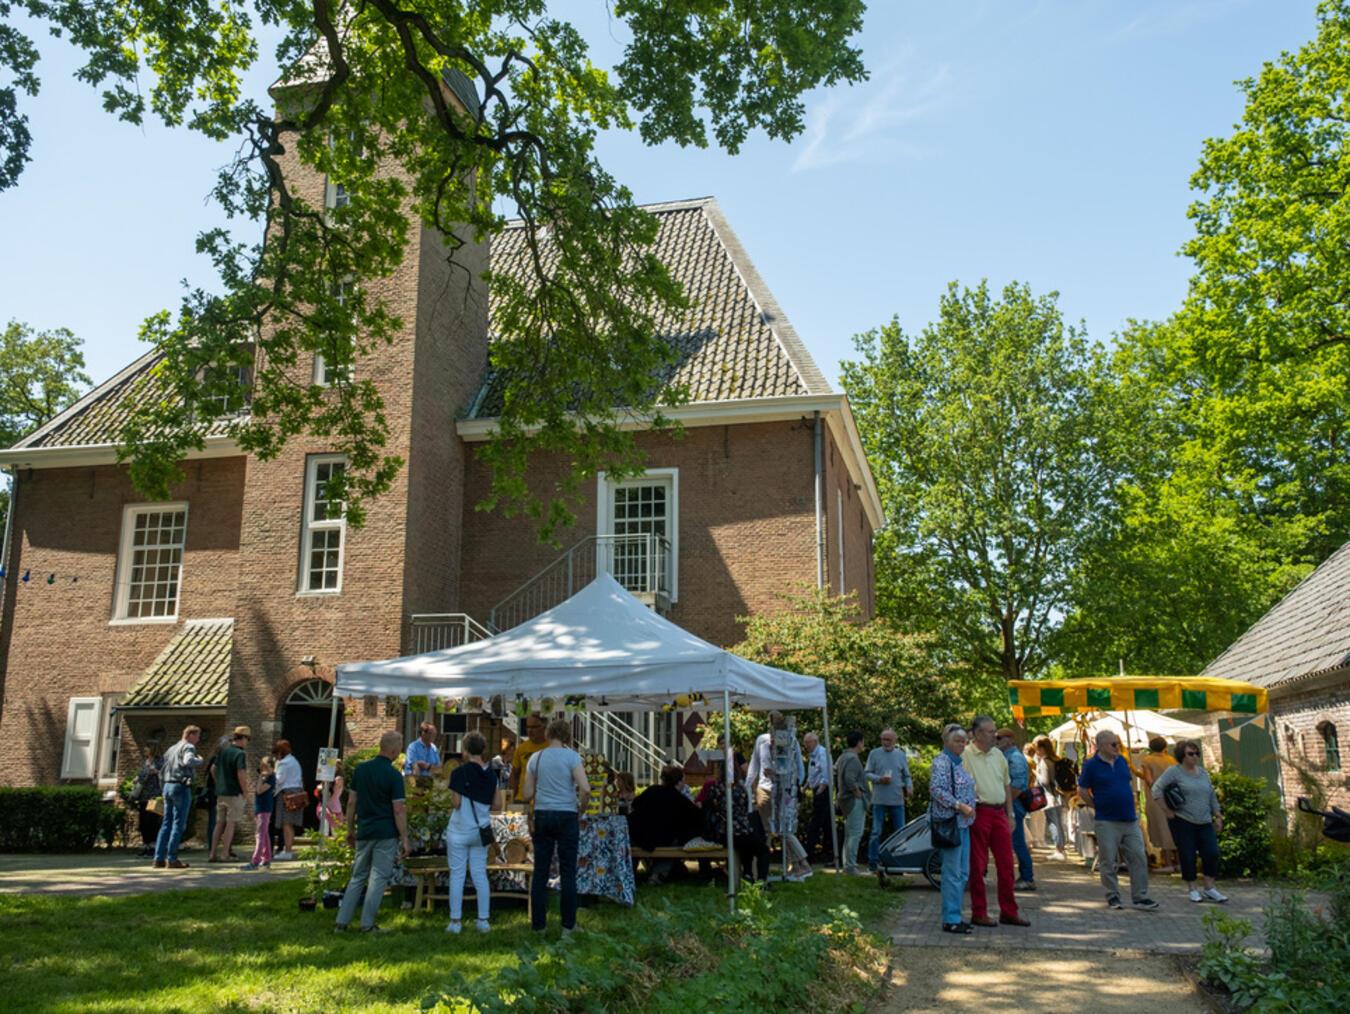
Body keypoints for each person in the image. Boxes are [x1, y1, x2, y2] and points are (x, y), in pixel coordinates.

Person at [335, 730, 411, 932]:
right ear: (394, 749)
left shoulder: (361, 770)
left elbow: (351, 802)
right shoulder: (394, 775)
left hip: (365, 830)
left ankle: (341, 922)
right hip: (385, 832)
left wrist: (350, 829)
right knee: (378, 877)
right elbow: (398, 809)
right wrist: (404, 837)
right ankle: (367, 924)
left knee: (357, 876)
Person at [521, 717, 590, 933]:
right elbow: (586, 789)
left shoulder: (536, 758)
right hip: (567, 814)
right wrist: (582, 809)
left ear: (548, 734)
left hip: (543, 814)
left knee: (540, 870)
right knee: (568, 871)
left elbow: (527, 793)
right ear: (567, 736)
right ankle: (568, 925)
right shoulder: (572, 757)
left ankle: (538, 926)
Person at [1078, 728, 1158, 911]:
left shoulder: (1122, 761)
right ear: (1100, 746)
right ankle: (1113, 895)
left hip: (1129, 819)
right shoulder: (1091, 765)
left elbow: (1126, 784)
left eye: (1118, 743)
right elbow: (1082, 790)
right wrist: (1096, 805)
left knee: (1138, 856)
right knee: (1108, 860)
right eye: (1114, 744)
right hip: (1107, 821)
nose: (1117, 747)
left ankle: (1140, 896)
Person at [965, 716, 1029, 927]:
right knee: (978, 864)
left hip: (999, 812)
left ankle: (1009, 911)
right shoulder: (966, 755)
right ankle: (979, 911)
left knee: (1006, 864)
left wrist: (1010, 814)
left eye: (995, 732)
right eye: (991, 732)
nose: (995, 735)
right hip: (979, 812)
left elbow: (1006, 786)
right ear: (977, 734)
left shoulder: (999, 755)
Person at [1151, 740, 1228, 904]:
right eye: (1190, 754)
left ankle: (1209, 887)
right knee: (1187, 854)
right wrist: (1167, 810)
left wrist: (1218, 815)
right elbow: (1156, 789)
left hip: (1204, 820)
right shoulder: (1174, 772)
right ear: (1182, 756)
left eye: (1196, 753)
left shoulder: (1203, 773)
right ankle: (1192, 889)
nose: (1195, 757)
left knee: (1212, 852)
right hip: (1183, 820)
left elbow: (1211, 795)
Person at [445, 730, 501, 934]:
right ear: (484, 749)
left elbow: (456, 803)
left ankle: (455, 922)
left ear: (465, 749)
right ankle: (483, 920)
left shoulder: (458, 773)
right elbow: (497, 804)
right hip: (480, 831)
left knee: (457, 875)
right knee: (479, 874)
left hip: (459, 830)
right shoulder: (491, 775)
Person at [747, 712, 811, 880]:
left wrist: (796, 785)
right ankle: (767, 869)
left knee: (783, 829)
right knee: (767, 830)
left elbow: (798, 767)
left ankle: (799, 863)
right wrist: (749, 787)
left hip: (784, 789)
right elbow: (755, 763)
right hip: (765, 789)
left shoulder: (791, 741)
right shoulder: (762, 740)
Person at [930, 723, 978, 934]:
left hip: (963, 824)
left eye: (963, 741)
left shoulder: (958, 763)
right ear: (946, 742)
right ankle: (951, 918)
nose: (961, 744)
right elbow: (936, 789)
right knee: (952, 872)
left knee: (962, 872)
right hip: (951, 824)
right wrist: (960, 805)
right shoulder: (942, 762)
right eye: (957, 741)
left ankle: (955, 914)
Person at [700, 754, 771, 883]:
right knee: (762, 850)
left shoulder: (715, 789)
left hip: (722, 832)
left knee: (746, 843)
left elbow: (709, 807)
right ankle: (760, 880)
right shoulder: (741, 789)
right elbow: (745, 809)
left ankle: (748, 873)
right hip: (740, 830)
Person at [629, 764, 703, 884]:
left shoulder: (652, 790)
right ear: (679, 782)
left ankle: (637, 873)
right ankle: (657, 874)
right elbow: (697, 817)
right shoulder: (680, 799)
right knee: (673, 840)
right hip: (661, 839)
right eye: (683, 780)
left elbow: (635, 804)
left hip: (639, 836)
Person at [154, 725, 204, 869]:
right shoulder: (188, 747)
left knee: (166, 823)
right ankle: (172, 858)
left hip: (167, 786)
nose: (198, 740)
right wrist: (199, 760)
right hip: (181, 787)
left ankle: (158, 859)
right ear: (190, 735)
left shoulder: (171, 748)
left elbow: (161, 769)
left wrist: (163, 787)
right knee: (178, 824)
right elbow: (189, 761)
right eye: (197, 736)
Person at [864, 729, 912, 873]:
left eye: (888, 739)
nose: (885, 742)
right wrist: (879, 779)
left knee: (900, 833)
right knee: (876, 832)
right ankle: (872, 864)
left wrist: (909, 786)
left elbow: (907, 775)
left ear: (895, 740)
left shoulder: (900, 755)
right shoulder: (874, 753)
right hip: (879, 799)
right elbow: (866, 774)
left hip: (897, 799)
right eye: (883, 739)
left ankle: (899, 865)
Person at [996, 728, 1035, 892]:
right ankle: (1024, 877)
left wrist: (1006, 803)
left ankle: (1027, 878)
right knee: (1014, 842)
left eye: (999, 738)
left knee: (1018, 842)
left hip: (1015, 806)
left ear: (1009, 739)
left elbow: (1018, 785)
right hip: (1012, 805)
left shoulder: (1015, 757)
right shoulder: (1007, 756)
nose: (996, 741)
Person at [209, 726, 251, 863]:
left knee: (219, 823)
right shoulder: (240, 754)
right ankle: (225, 854)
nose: (247, 742)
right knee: (230, 823)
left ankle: (212, 853)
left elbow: (213, 769)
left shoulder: (223, 751)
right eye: (247, 739)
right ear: (243, 738)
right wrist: (245, 791)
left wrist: (219, 783)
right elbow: (241, 773)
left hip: (221, 793)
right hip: (234, 793)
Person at [1139, 735, 1179, 872]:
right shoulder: (1172, 760)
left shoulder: (1148, 760)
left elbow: (1149, 780)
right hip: (1173, 797)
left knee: (1162, 828)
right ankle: (1179, 862)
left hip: (1157, 799)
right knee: (1174, 828)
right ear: (1165, 747)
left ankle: (1167, 863)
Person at [835, 730, 868, 875]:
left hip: (845, 800)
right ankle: (850, 866)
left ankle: (847, 864)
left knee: (849, 834)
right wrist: (857, 792)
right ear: (859, 742)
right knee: (855, 833)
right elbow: (850, 778)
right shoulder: (853, 759)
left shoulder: (843, 756)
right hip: (853, 800)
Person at [1034, 736, 1069, 860]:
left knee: (1053, 823)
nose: (1036, 751)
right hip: (1060, 795)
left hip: (1050, 797)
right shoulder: (1056, 759)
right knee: (1059, 823)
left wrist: (1036, 773)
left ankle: (1058, 850)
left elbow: (1044, 781)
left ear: (1042, 748)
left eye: (1037, 748)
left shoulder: (1045, 762)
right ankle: (1062, 848)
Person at [802, 731, 833, 863]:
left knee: (815, 823)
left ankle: (809, 854)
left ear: (814, 741)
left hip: (822, 791)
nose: (806, 746)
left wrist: (821, 788)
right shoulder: (813, 755)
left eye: (807, 743)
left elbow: (826, 771)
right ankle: (830, 852)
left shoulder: (822, 753)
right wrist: (805, 787)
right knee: (827, 824)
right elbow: (813, 773)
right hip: (817, 789)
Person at [272, 739, 305, 860]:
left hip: (287, 794)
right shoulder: (294, 761)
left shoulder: (284, 763)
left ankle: (288, 851)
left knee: (286, 824)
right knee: (289, 824)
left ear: (280, 753)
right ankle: (288, 849)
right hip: (296, 792)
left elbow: (279, 780)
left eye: (276, 754)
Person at [244, 756, 277, 870]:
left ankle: (255, 861)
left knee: (260, 835)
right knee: (265, 834)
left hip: (265, 809)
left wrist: (260, 778)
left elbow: (259, 790)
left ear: (271, 767)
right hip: (260, 808)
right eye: (262, 767)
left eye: (266, 767)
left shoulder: (271, 778)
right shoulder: (265, 777)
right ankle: (266, 858)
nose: (264, 770)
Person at [132, 746, 164, 856]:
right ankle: (146, 845)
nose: (144, 751)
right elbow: (141, 775)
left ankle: (154, 846)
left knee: (152, 821)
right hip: (143, 796)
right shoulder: (144, 762)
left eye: (146, 749)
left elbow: (164, 774)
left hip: (154, 796)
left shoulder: (160, 762)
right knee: (143, 821)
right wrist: (137, 778)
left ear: (152, 750)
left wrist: (156, 772)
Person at [511, 715, 548, 802]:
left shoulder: (551, 747)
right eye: (528, 727)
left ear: (543, 727)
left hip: (544, 801)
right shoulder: (521, 748)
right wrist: (512, 796)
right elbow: (514, 775)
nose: (530, 730)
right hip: (522, 799)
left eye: (534, 727)